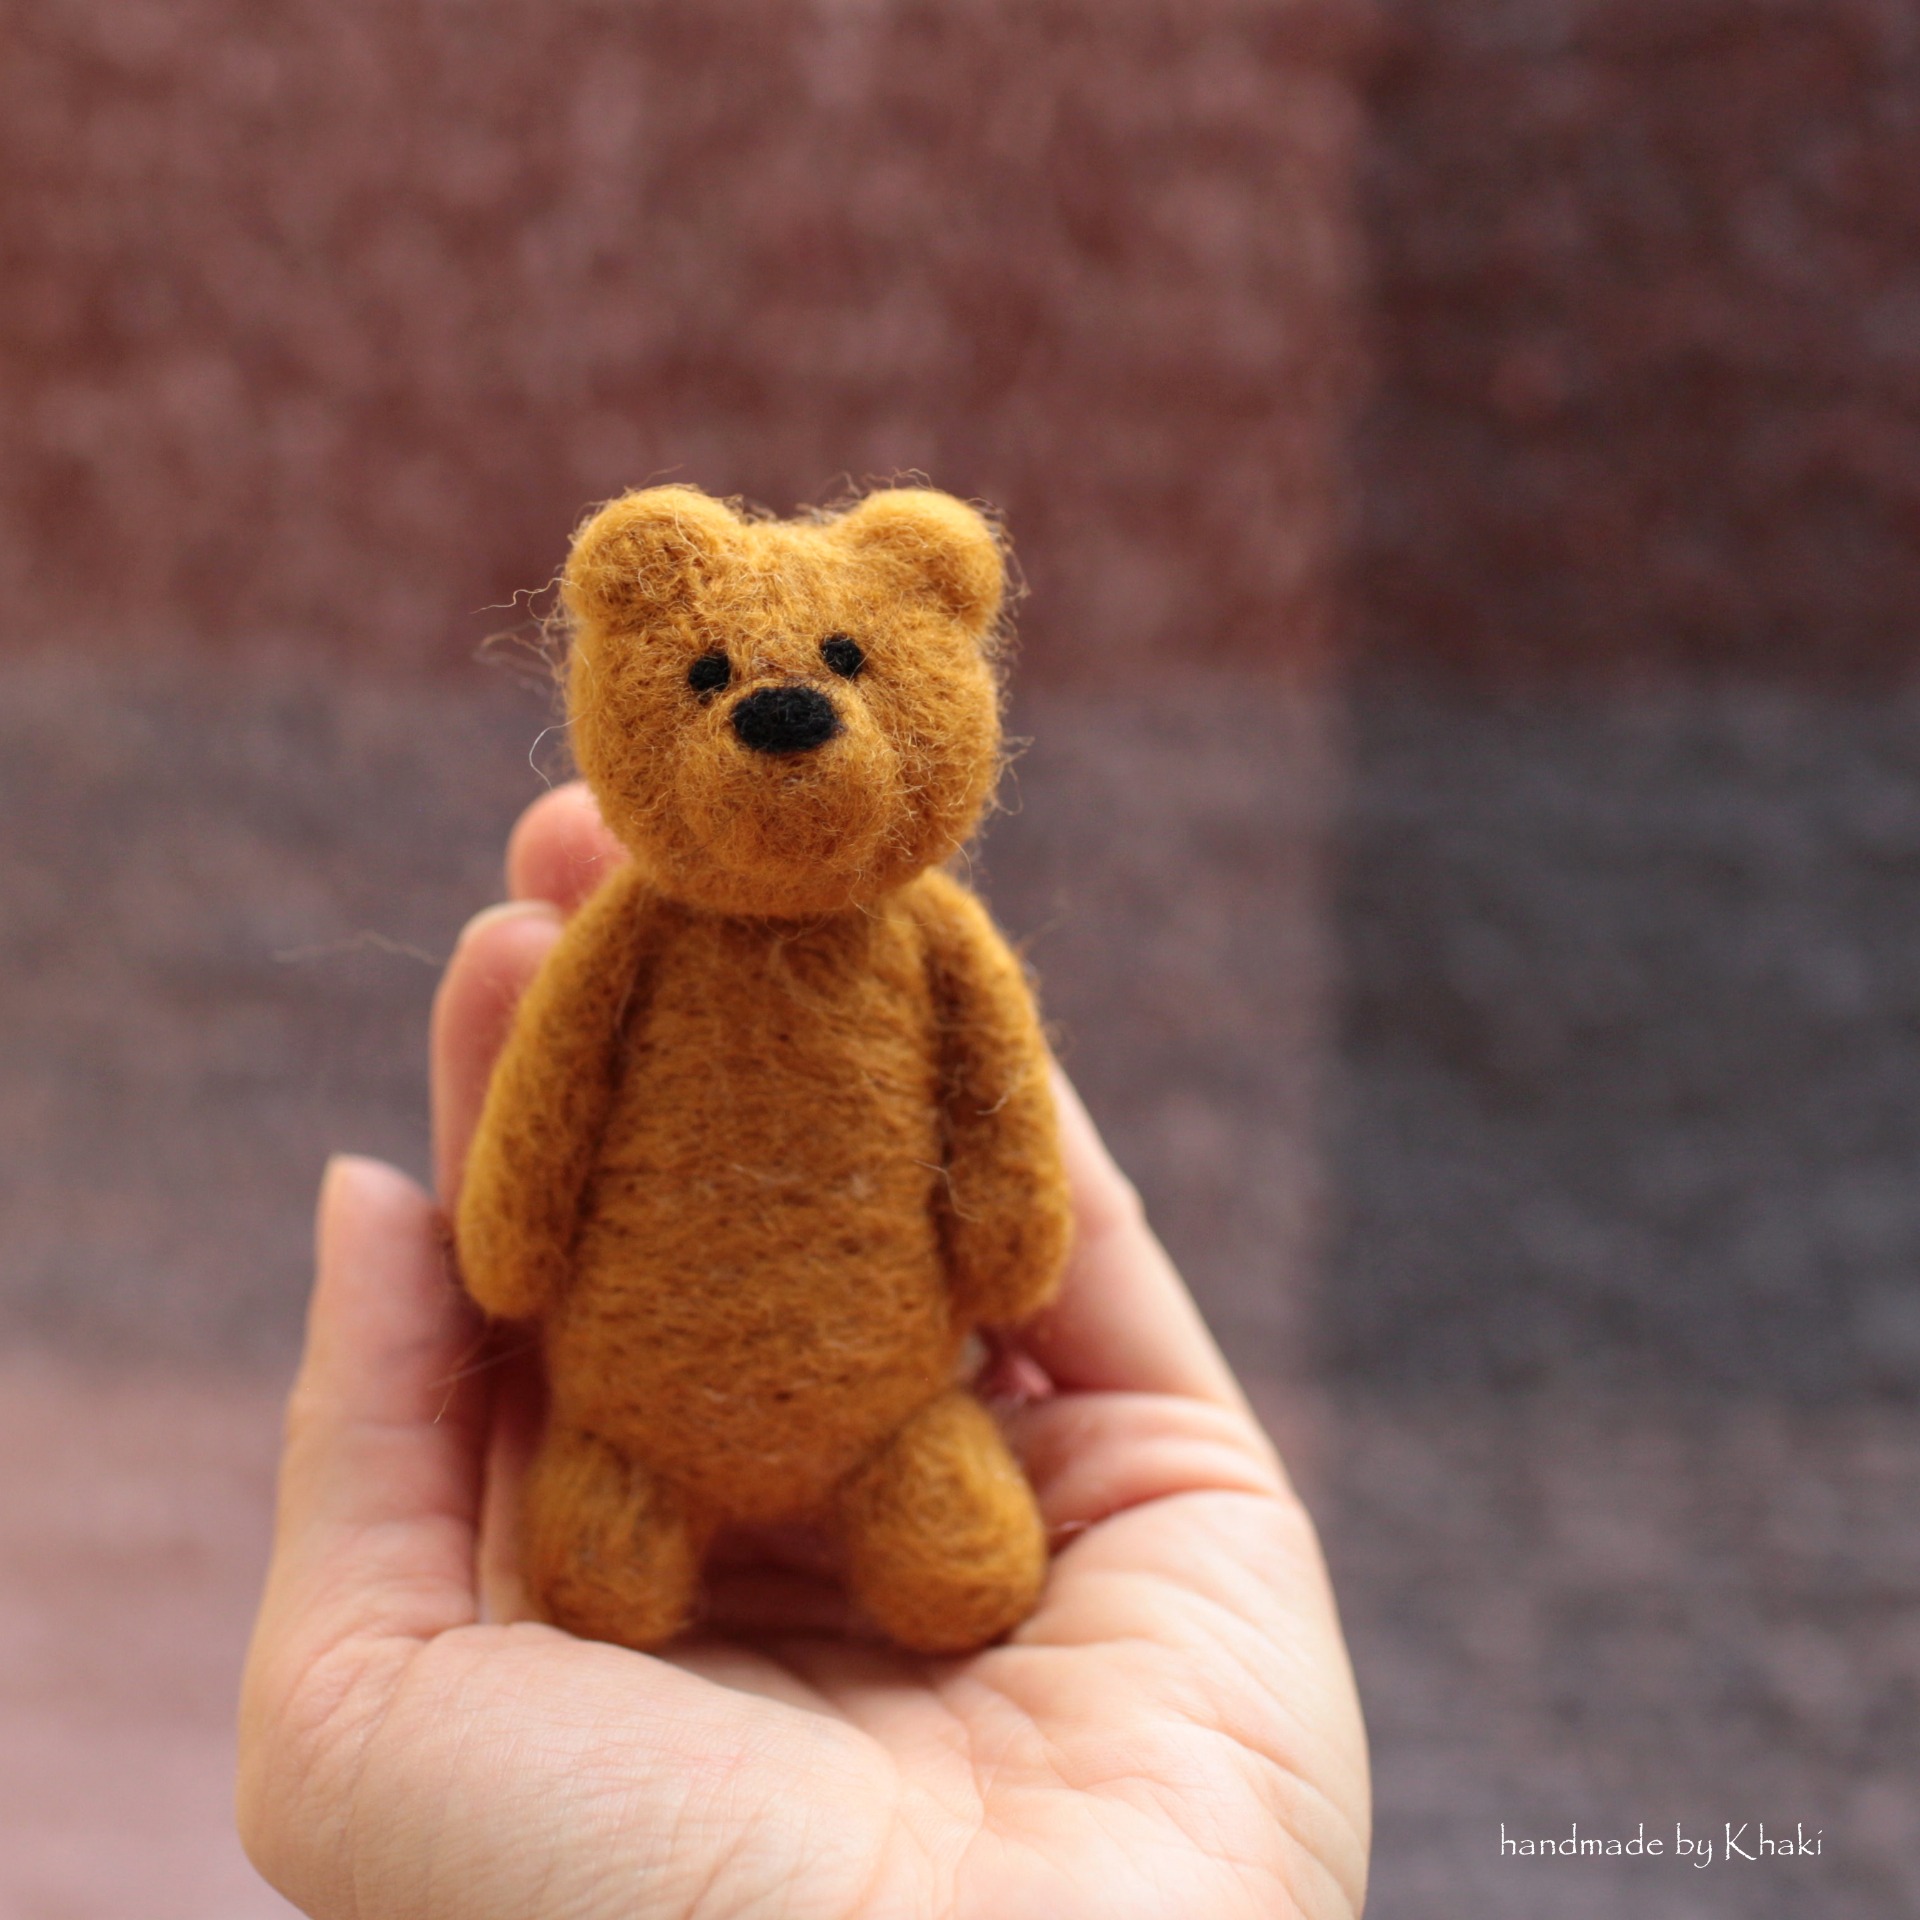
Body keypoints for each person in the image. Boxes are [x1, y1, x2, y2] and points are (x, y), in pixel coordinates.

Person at [235, 780, 1372, 1918]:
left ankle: (894, 1480)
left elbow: (1001, 1115)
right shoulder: (631, 936)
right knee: (598, 1577)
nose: (786, 718)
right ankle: (641, 1485)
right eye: (709, 690)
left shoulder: (933, 939)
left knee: (957, 1572)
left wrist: (1011, 1242)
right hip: (636, 1427)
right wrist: (511, 1236)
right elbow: (549, 1099)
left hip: (889, 1421)